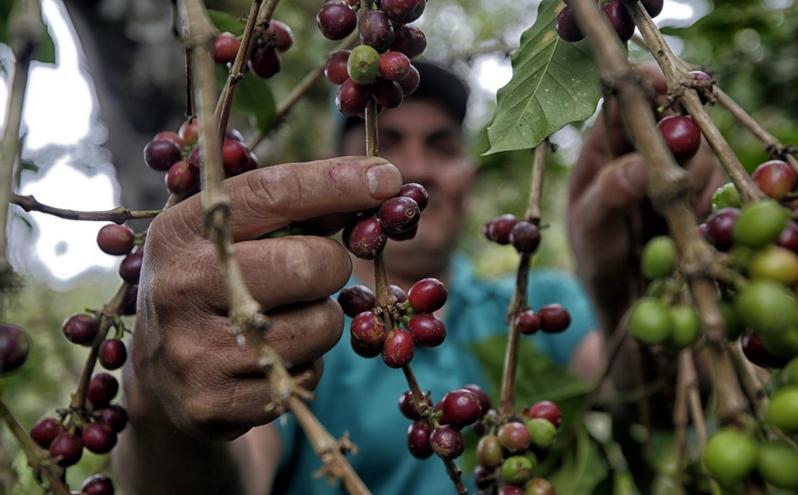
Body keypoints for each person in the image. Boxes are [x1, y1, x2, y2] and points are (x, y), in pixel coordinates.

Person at [116, 62, 724, 494]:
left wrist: (621, 284)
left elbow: (655, 405)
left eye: (441, 145)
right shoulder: (290, 324)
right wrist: (164, 405)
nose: (413, 167)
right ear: (340, 171)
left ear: (468, 175)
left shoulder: (533, 301)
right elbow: (234, 469)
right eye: (390, 141)